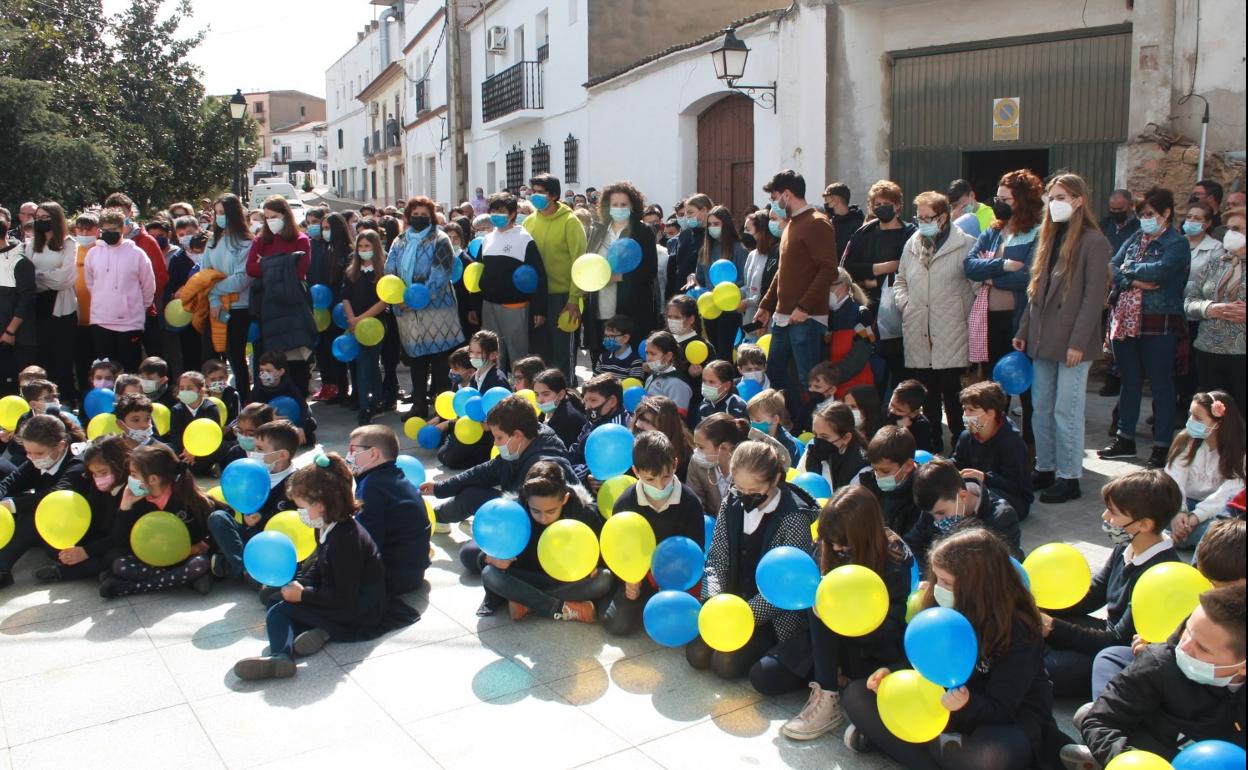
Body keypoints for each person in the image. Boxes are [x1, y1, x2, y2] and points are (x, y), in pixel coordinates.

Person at [841, 527, 1063, 769]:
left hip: (1003, 722)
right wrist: (892, 673)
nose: (939, 588)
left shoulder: (1018, 628)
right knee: (857, 695)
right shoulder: (941, 610)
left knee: (987, 759)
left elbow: (1003, 708)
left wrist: (966, 704)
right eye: (938, 579)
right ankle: (937, 750)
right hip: (943, 711)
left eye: (947, 582)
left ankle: (903, 743)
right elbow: (925, 664)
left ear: (977, 585)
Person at [232, 451, 419, 681]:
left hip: (358, 607)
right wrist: (301, 583)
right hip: (340, 595)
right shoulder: (326, 525)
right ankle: (319, 631)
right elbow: (319, 565)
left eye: (302, 507)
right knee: (275, 596)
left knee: (279, 611)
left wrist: (303, 596)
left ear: (320, 505)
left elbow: (343, 596)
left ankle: (282, 656)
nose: (300, 513)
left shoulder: (346, 539)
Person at [760, 486, 912, 740]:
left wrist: (848, 617)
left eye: (843, 542)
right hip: (825, 647)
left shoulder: (893, 560)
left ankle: (829, 693)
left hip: (869, 648)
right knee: (763, 677)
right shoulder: (827, 546)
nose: (836, 546)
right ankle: (826, 682)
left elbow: (890, 627)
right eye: (831, 540)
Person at [1039, 469, 1182, 701]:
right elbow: (1091, 595)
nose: (1106, 517)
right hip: (1105, 636)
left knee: (1041, 669)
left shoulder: (1160, 574)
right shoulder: (1127, 547)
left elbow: (1118, 639)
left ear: (1144, 524)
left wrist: (1053, 626)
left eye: (1114, 513)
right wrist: (1041, 607)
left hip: (1122, 656)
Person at [1014, 173, 1113, 504]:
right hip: (1043, 339)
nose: (1053, 203)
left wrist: (1078, 343)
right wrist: (1024, 330)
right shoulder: (1049, 237)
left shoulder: (1093, 242)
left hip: (1072, 341)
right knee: (1040, 408)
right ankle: (1045, 466)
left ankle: (1069, 476)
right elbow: (1035, 291)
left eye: (1060, 197)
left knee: (1065, 411)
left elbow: (1092, 297)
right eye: (1050, 197)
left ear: (1078, 200)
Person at [1069, 585, 1246, 768]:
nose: (1184, 647)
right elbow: (1099, 721)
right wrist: (1126, 759)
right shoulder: (1159, 664)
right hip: (1151, 755)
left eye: (1202, 648)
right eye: (1187, 631)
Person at [687, 441, 817, 681]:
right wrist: (713, 600)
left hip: (771, 615)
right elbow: (717, 557)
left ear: (776, 479)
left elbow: (786, 587)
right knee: (696, 654)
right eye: (740, 488)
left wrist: (745, 615)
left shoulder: (793, 517)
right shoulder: (733, 500)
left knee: (724, 664)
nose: (745, 496)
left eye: (755, 491)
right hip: (733, 603)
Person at [1101, 186, 1192, 469]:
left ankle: (1161, 444)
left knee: (1161, 384)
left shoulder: (1176, 243)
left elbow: (1161, 272)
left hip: (1159, 323)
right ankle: (1124, 438)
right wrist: (1135, 279)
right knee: (1129, 381)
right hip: (1126, 323)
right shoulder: (1136, 237)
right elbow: (1113, 267)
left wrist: (1129, 272)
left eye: (1150, 214)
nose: (1145, 219)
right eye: (1141, 214)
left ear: (1165, 213)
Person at [461, 461, 611, 621]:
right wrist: (490, 559)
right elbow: (489, 555)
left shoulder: (583, 513)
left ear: (565, 499)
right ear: (526, 499)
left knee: (604, 578)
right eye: (535, 511)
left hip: (565, 580)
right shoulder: (513, 513)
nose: (543, 518)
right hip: (525, 577)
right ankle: (560, 608)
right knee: (490, 574)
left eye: (551, 511)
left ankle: (527, 603)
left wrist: (593, 564)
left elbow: (602, 555)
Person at [964, 169, 1045, 445]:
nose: (999, 204)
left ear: (1022, 200)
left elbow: (1027, 276)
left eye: (1006, 199)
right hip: (989, 321)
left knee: (1026, 389)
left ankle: (1031, 447)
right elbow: (969, 265)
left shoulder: (1037, 233)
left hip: (1019, 321)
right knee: (993, 390)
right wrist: (1000, 266)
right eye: (997, 198)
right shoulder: (993, 231)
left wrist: (990, 277)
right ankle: (994, 443)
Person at [893, 191, 977, 453]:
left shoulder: (966, 243)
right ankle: (930, 445)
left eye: (929, 217)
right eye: (919, 217)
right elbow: (901, 281)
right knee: (926, 393)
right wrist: (905, 304)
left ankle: (960, 445)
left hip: (951, 328)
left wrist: (966, 315)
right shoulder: (912, 244)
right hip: (919, 326)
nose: (923, 221)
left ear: (944, 216)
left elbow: (976, 287)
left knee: (952, 393)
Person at [600, 430, 706, 634]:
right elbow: (617, 548)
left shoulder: (690, 502)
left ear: (675, 464)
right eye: (650, 479)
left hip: (676, 578)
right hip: (639, 576)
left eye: (666, 477)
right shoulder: (625, 503)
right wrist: (628, 581)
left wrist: (674, 580)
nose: (659, 485)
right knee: (618, 625)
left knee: (679, 624)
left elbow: (695, 550)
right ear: (636, 471)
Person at [755, 170, 840, 415]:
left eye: (774, 197)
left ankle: (819, 427)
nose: (773, 203)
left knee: (808, 380)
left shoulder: (816, 222)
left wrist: (804, 307)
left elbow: (828, 269)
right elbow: (783, 272)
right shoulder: (791, 225)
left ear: (787, 194)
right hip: (783, 318)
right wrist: (766, 305)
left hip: (806, 318)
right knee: (776, 377)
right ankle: (782, 423)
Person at [422, 394, 576, 527]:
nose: (495, 443)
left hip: (539, 530)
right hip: (523, 514)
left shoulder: (543, 466)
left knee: (471, 500)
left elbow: (536, 515)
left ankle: (430, 520)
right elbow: (484, 472)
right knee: (471, 493)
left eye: (499, 437)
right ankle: (433, 518)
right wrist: (440, 488)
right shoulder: (526, 443)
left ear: (517, 435)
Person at [99, 444, 225, 598]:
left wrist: (200, 546)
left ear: (152, 479)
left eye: (133, 474)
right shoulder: (136, 498)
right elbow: (119, 540)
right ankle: (186, 580)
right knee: (119, 564)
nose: (130, 479)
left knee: (199, 564)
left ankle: (129, 586)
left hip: (185, 558)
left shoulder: (187, 497)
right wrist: (125, 506)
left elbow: (219, 527)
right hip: (150, 559)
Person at [842, 180, 916, 399]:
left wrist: (874, 278)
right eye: (877, 203)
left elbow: (908, 268)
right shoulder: (863, 234)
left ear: (898, 206)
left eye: (887, 203)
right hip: (867, 312)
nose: (882, 207)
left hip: (899, 314)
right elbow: (848, 268)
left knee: (899, 369)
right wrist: (882, 268)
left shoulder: (910, 234)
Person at [0, 414, 86, 589]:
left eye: (38, 453)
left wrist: (11, 505)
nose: (32, 457)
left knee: (31, 513)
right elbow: (11, 481)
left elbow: (55, 494)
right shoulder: (37, 459)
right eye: (28, 452)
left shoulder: (78, 462)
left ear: (60, 446)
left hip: (76, 531)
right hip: (49, 527)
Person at [207, 419, 298, 581]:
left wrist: (263, 518)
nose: (253, 452)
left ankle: (230, 565)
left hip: (274, 544)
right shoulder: (251, 472)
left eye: (260, 449)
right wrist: (245, 516)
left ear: (282, 455)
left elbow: (293, 522)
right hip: (249, 535)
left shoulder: (297, 483)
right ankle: (245, 571)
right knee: (218, 518)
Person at [245, 195, 315, 397]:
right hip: (268, 307)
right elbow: (251, 269)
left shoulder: (300, 239)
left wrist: (266, 262)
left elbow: (299, 269)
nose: (269, 220)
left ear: (285, 215)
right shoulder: (260, 240)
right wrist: (283, 262)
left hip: (293, 305)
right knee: (274, 359)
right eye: (266, 217)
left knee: (296, 358)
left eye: (274, 216)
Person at [39, 435, 129, 583]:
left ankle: (66, 572)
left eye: (103, 472)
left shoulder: (131, 490)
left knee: (114, 556)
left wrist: (86, 552)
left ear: (119, 465)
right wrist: (74, 544)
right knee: (55, 548)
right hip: (100, 537)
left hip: (119, 541)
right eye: (94, 473)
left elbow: (120, 536)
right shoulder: (97, 485)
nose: (98, 477)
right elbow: (91, 517)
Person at [584, 182, 660, 358]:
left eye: (623, 204)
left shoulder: (643, 231)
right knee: (601, 362)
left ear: (632, 206)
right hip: (600, 309)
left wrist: (619, 277)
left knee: (629, 363)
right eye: (615, 204)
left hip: (631, 311)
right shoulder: (597, 231)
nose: (619, 208)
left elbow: (650, 269)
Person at [905, 457, 1023, 567]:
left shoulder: (1002, 518)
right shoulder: (935, 507)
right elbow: (912, 545)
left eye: (941, 513)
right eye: (932, 514)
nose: (937, 521)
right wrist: (927, 577)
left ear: (962, 496)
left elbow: (1002, 570)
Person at [523, 174, 586, 380]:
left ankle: (567, 394)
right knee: (541, 353)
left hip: (563, 298)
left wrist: (574, 299)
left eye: (541, 192)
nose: (535, 196)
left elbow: (580, 261)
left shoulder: (570, 222)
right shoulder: (529, 222)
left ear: (554, 196)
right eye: (533, 192)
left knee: (562, 354)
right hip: (537, 299)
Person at [1165, 390, 1246, 548]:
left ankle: (1172, 539)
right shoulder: (1185, 439)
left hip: (1215, 510)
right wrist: (1179, 511)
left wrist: (1196, 516)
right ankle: (1179, 536)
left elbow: (1228, 493)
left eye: (1198, 418)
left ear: (1218, 423)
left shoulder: (1239, 450)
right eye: (1190, 415)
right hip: (1182, 504)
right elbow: (1174, 480)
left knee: (1219, 529)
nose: (1190, 421)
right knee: (1147, 507)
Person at [1184, 207, 1245, 411]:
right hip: (1208, 350)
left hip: (1241, 354)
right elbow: (1189, 301)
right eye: (1228, 228)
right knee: (1214, 415)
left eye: (1237, 229)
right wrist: (1211, 308)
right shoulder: (1214, 265)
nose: (1230, 234)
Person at [477, 192, 545, 371]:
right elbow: (478, 270)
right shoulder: (488, 238)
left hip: (515, 305)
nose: (496, 215)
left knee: (518, 353)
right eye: (493, 211)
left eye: (501, 211)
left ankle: (520, 391)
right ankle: (495, 387)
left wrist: (539, 308)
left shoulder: (524, 239)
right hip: (489, 304)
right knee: (492, 351)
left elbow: (538, 275)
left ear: (513, 213)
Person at [84, 208, 156, 373]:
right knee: (104, 370)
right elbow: (91, 283)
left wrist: (137, 308)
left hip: (129, 323)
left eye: (114, 230)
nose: (109, 233)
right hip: (100, 320)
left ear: (122, 229)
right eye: (105, 230)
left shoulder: (137, 253)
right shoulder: (93, 253)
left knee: (129, 369)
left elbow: (148, 285)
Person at [24, 202, 78, 406]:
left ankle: (66, 401)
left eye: (46, 217)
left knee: (63, 358)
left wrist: (39, 278)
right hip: (38, 308)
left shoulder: (69, 244)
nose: (40, 221)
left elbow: (65, 278)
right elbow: (27, 278)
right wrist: (46, 278)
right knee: (42, 357)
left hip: (62, 309)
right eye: (38, 217)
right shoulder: (30, 245)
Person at [201, 194, 255, 400]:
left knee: (236, 359)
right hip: (215, 308)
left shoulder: (246, 242)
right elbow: (205, 273)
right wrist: (214, 299)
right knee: (211, 357)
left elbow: (242, 278)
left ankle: (242, 401)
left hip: (238, 308)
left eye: (223, 212)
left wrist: (215, 291)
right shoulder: (213, 240)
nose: (219, 217)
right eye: (217, 213)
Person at [954, 380, 1034, 519]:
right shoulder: (967, 436)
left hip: (1012, 499)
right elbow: (958, 461)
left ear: (990, 413)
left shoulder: (1012, 442)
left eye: (972, 410)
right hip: (975, 488)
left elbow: (1018, 486)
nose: (966, 415)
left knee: (982, 499)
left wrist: (985, 478)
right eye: (965, 409)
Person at [690, 413, 793, 518]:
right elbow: (695, 503)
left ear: (724, 447)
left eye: (701, 447)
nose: (696, 451)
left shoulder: (751, 464)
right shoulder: (697, 464)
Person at [103, 193, 168, 357]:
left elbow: (160, 277)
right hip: (114, 316)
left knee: (153, 359)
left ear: (130, 212)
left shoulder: (147, 241)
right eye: (113, 212)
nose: (117, 217)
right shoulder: (103, 244)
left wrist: (140, 302)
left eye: (121, 212)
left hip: (144, 312)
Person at [690, 205, 748, 361]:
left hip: (730, 310)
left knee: (725, 352)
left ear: (726, 225)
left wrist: (729, 291)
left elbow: (745, 280)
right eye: (710, 224)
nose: (712, 228)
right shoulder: (706, 249)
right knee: (714, 351)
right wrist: (692, 278)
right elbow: (700, 278)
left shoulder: (739, 249)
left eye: (716, 224)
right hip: (710, 309)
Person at [342, 230, 388, 425]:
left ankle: (376, 401)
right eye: (360, 246)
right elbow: (345, 298)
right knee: (361, 365)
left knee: (373, 364)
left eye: (367, 246)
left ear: (375, 248)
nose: (363, 250)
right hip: (356, 327)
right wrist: (353, 320)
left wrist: (362, 318)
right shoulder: (352, 272)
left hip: (376, 325)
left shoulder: (382, 273)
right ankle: (364, 406)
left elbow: (384, 301)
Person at [309, 210, 350, 404]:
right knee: (322, 350)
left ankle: (342, 389)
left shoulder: (347, 252)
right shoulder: (319, 249)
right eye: (322, 228)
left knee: (337, 353)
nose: (324, 231)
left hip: (338, 309)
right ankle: (328, 386)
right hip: (320, 310)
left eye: (327, 228)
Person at [855, 426, 920, 535]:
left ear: (908, 465)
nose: (878, 476)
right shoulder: (869, 484)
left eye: (885, 471)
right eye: (875, 469)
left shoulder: (920, 497)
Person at [567, 373, 629, 483]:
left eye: (593, 400)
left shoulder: (618, 430)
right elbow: (576, 449)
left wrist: (583, 474)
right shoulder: (595, 419)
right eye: (585, 400)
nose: (587, 406)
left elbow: (607, 469)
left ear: (612, 401)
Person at [800, 400, 867, 491]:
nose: (818, 441)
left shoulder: (861, 468)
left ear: (846, 438)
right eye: (815, 434)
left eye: (825, 437)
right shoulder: (811, 452)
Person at [631, 394, 695, 482]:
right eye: (639, 418)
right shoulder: (632, 444)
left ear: (665, 427)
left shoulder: (686, 459)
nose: (638, 424)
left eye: (647, 421)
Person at [667, 194, 710, 301]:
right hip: (681, 295)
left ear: (704, 210)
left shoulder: (711, 236)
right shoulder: (684, 234)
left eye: (690, 212)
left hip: (703, 296)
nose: (687, 216)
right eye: (686, 213)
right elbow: (674, 267)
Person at [534, 367, 588, 449]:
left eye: (546, 394)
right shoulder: (554, 407)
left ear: (561, 394)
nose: (539, 400)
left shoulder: (564, 418)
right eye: (537, 394)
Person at [643, 331, 692, 416]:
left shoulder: (677, 384)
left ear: (668, 356)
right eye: (647, 353)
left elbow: (677, 418)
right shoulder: (651, 377)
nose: (648, 358)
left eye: (653, 354)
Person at [748, 388, 802, 465]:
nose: (753, 424)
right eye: (751, 420)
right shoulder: (754, 439)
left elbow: (791, 471)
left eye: (758, 420)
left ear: (775, 419)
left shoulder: (788, 446)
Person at [883, 378, 934, 454]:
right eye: (891, 404)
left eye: (899, 410)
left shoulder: (922, 425)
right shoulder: (887, 413)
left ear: (914, 412)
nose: (892, 410)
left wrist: (905, 430)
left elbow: (920, 453)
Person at [823, 182, 865, 261]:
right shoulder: (829, 224)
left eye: (826, 200)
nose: (825, 203)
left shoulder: (860, 225)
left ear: (835, 200)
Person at [593, 314, 644, 380]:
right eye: (606, 336)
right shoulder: (603, 357)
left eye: (611, 336)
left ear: (625, 338)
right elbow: (594, 381)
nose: (607, 339)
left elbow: (634, 386)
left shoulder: (635, 361)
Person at [1100, 189, 1140, 256]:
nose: (1116, 212)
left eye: (1120, 209)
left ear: (1131, 205)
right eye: (1113, 209)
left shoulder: (1138, 228)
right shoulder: (1103, 225)